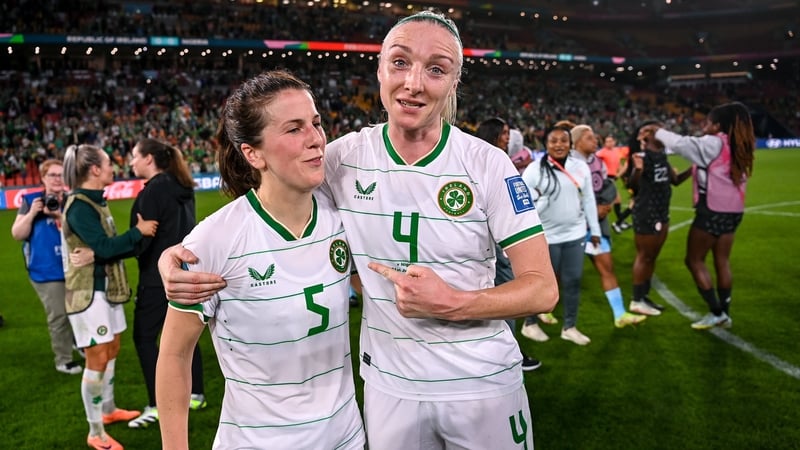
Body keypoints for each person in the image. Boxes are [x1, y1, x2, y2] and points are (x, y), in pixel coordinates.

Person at [159, 12, 558, 450]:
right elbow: (269, 202)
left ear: (454, 82)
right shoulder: (339, 159)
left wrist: (456, 303)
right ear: (380, 70)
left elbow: (541, 290)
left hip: (482, 383)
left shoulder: (488, 164)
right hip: (389, 389)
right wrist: (178, 255)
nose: (414, 83)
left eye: (437, 69)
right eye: (400, 63)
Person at [155, 70, 365, 449]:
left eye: (316, 123)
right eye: (294, 129)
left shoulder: (343, 213)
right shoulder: (216, 240)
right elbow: (174, 354)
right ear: (253, 153)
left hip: (347, 437)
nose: (316, 140)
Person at [61, 144, 158, 450]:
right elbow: (104, 247)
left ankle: (108, 410)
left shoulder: (94, 201)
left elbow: (103, 249)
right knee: (97, 355)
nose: (114, 167)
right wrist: (138, 232)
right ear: (94, 170)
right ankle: (95, 432)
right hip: (88, 294)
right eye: (108, 163)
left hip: (106, 290)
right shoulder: (79, 206)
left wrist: (110, 247)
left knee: (112, 347)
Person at [638, 102, 755, 330]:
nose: (705, 126)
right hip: (734, 211)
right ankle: (725, 313)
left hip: (712, 210)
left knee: (694, 260)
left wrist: (657, 131)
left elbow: (682, 144)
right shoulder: (740, 144)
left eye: (708, 122)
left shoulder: (713, 142)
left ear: (718, 126)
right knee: (722, 260)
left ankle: (716, 311)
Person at [124, 138, 207, 428]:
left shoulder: (153, 191)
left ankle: (157, 405)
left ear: (149, 159)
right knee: (185, 336)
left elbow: (144, 237)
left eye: (134, 156)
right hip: (185, 272)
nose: (131, 162)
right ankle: (196, 393)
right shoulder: (182, 185)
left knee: (145, 338)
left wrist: (131, 248)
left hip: (157, 277)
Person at [519, 125, 600, 346]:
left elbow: (589, 200)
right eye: (553, 140)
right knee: (542, 283)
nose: (559, 145)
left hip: (575, 234)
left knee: (573, 281)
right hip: (547, 236)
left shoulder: (580, 166)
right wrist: (541, 204)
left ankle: (570, 327)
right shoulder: (535, 169)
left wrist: (595, 230)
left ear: (570, 144)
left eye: (563, 140)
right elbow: (522, 204)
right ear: (546, 144)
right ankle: (530, 323)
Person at [476, 117, 542, 371]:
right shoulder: (492, 159)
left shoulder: (478, 156)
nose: (508, 137)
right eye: (504, 132)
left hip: (488, 240)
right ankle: (511, 352)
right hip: (496, 240)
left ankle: (498, 348)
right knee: (508, 293)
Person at [569, 124, 647, 327]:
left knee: (607, 268)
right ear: (577, 142)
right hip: (569, 228)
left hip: (595, 227)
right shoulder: (565, 164)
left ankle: (620, 315)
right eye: (589, 138)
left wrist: (606, 205)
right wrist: (592, 209)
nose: (595, 140)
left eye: (595, 137)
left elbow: (606, 187)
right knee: (558, 275)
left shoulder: (598, 162)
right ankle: (533, 319)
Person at [11, 159, 83, 374]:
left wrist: (59, 216)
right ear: (43, 178)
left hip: (73, 266)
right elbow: (17, 234)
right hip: (45, 269)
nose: (57, 179)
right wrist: (33, 213)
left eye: (61, 175)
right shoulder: (32, 200)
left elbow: (81, 232)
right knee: (59, 315)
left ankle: (75, 342)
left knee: (77, 310)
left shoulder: (72, 200)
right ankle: (63, 359)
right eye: (52, 175)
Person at [626, 121, 692, 316]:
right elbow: (633, 186)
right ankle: (636, 300)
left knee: (652, 257)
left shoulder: (661, 156)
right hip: (647, 213)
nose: (665, 134)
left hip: (662, 213)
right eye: (659, 131)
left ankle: (644, 296)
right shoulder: (642, 157)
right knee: (644, 256)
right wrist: (637, 169)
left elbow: (676, 181)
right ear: (648, 136)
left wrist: (692, 170)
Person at [597, 135, 632, 233]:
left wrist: (622, 178)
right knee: (611, 203)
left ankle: (620, 222)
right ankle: (616, 223)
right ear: (604, 143)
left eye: (611, 141)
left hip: (613, 178)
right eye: (607, 141)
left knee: (617, 201)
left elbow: (619, 164)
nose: (609, 143)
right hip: (606, 179)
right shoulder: (601, 153)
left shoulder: (617, 151)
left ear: (614, 142)